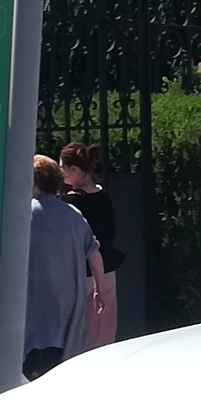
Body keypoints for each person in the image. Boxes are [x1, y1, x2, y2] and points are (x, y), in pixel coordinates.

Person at [19, 154, 99, 381]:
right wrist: (100, 289)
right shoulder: (73, 214)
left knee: (35, 366)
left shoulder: (25, 213)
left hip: (36, 304)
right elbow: (93, 252)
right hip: (68, 304)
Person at [58, 138, 123, 347]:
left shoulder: (70, 203)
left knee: (82, 332)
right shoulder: (104, 196)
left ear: (74, 169)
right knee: (104, 330)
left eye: (63, 168)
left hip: (82, 273)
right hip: (107, 270)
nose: (61, 173)